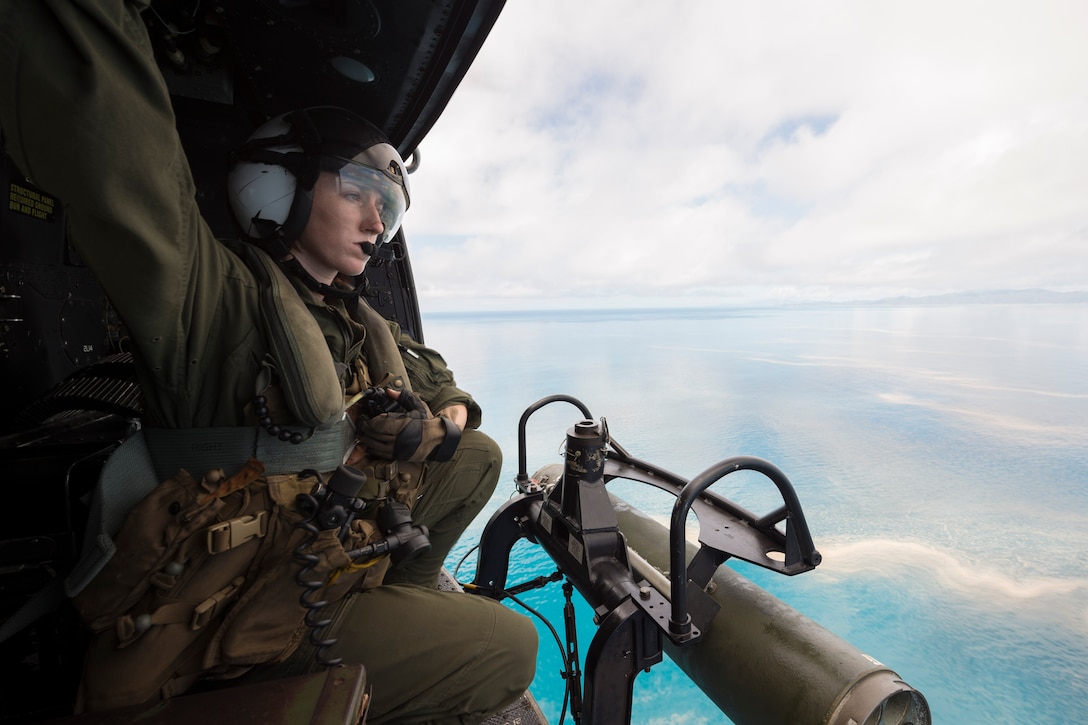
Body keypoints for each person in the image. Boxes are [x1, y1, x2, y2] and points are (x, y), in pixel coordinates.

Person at [0, 1, 537, 723]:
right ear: (277, 186)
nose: (378, 224)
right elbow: (118, 152)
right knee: (507, 646)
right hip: (238, 607)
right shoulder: (213, 296)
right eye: (358, 193)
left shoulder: (350, 318)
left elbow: (446, 386)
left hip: (317, 552)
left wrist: (436, 421)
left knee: (474, 455)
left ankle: (389, 608)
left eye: (388, 207)